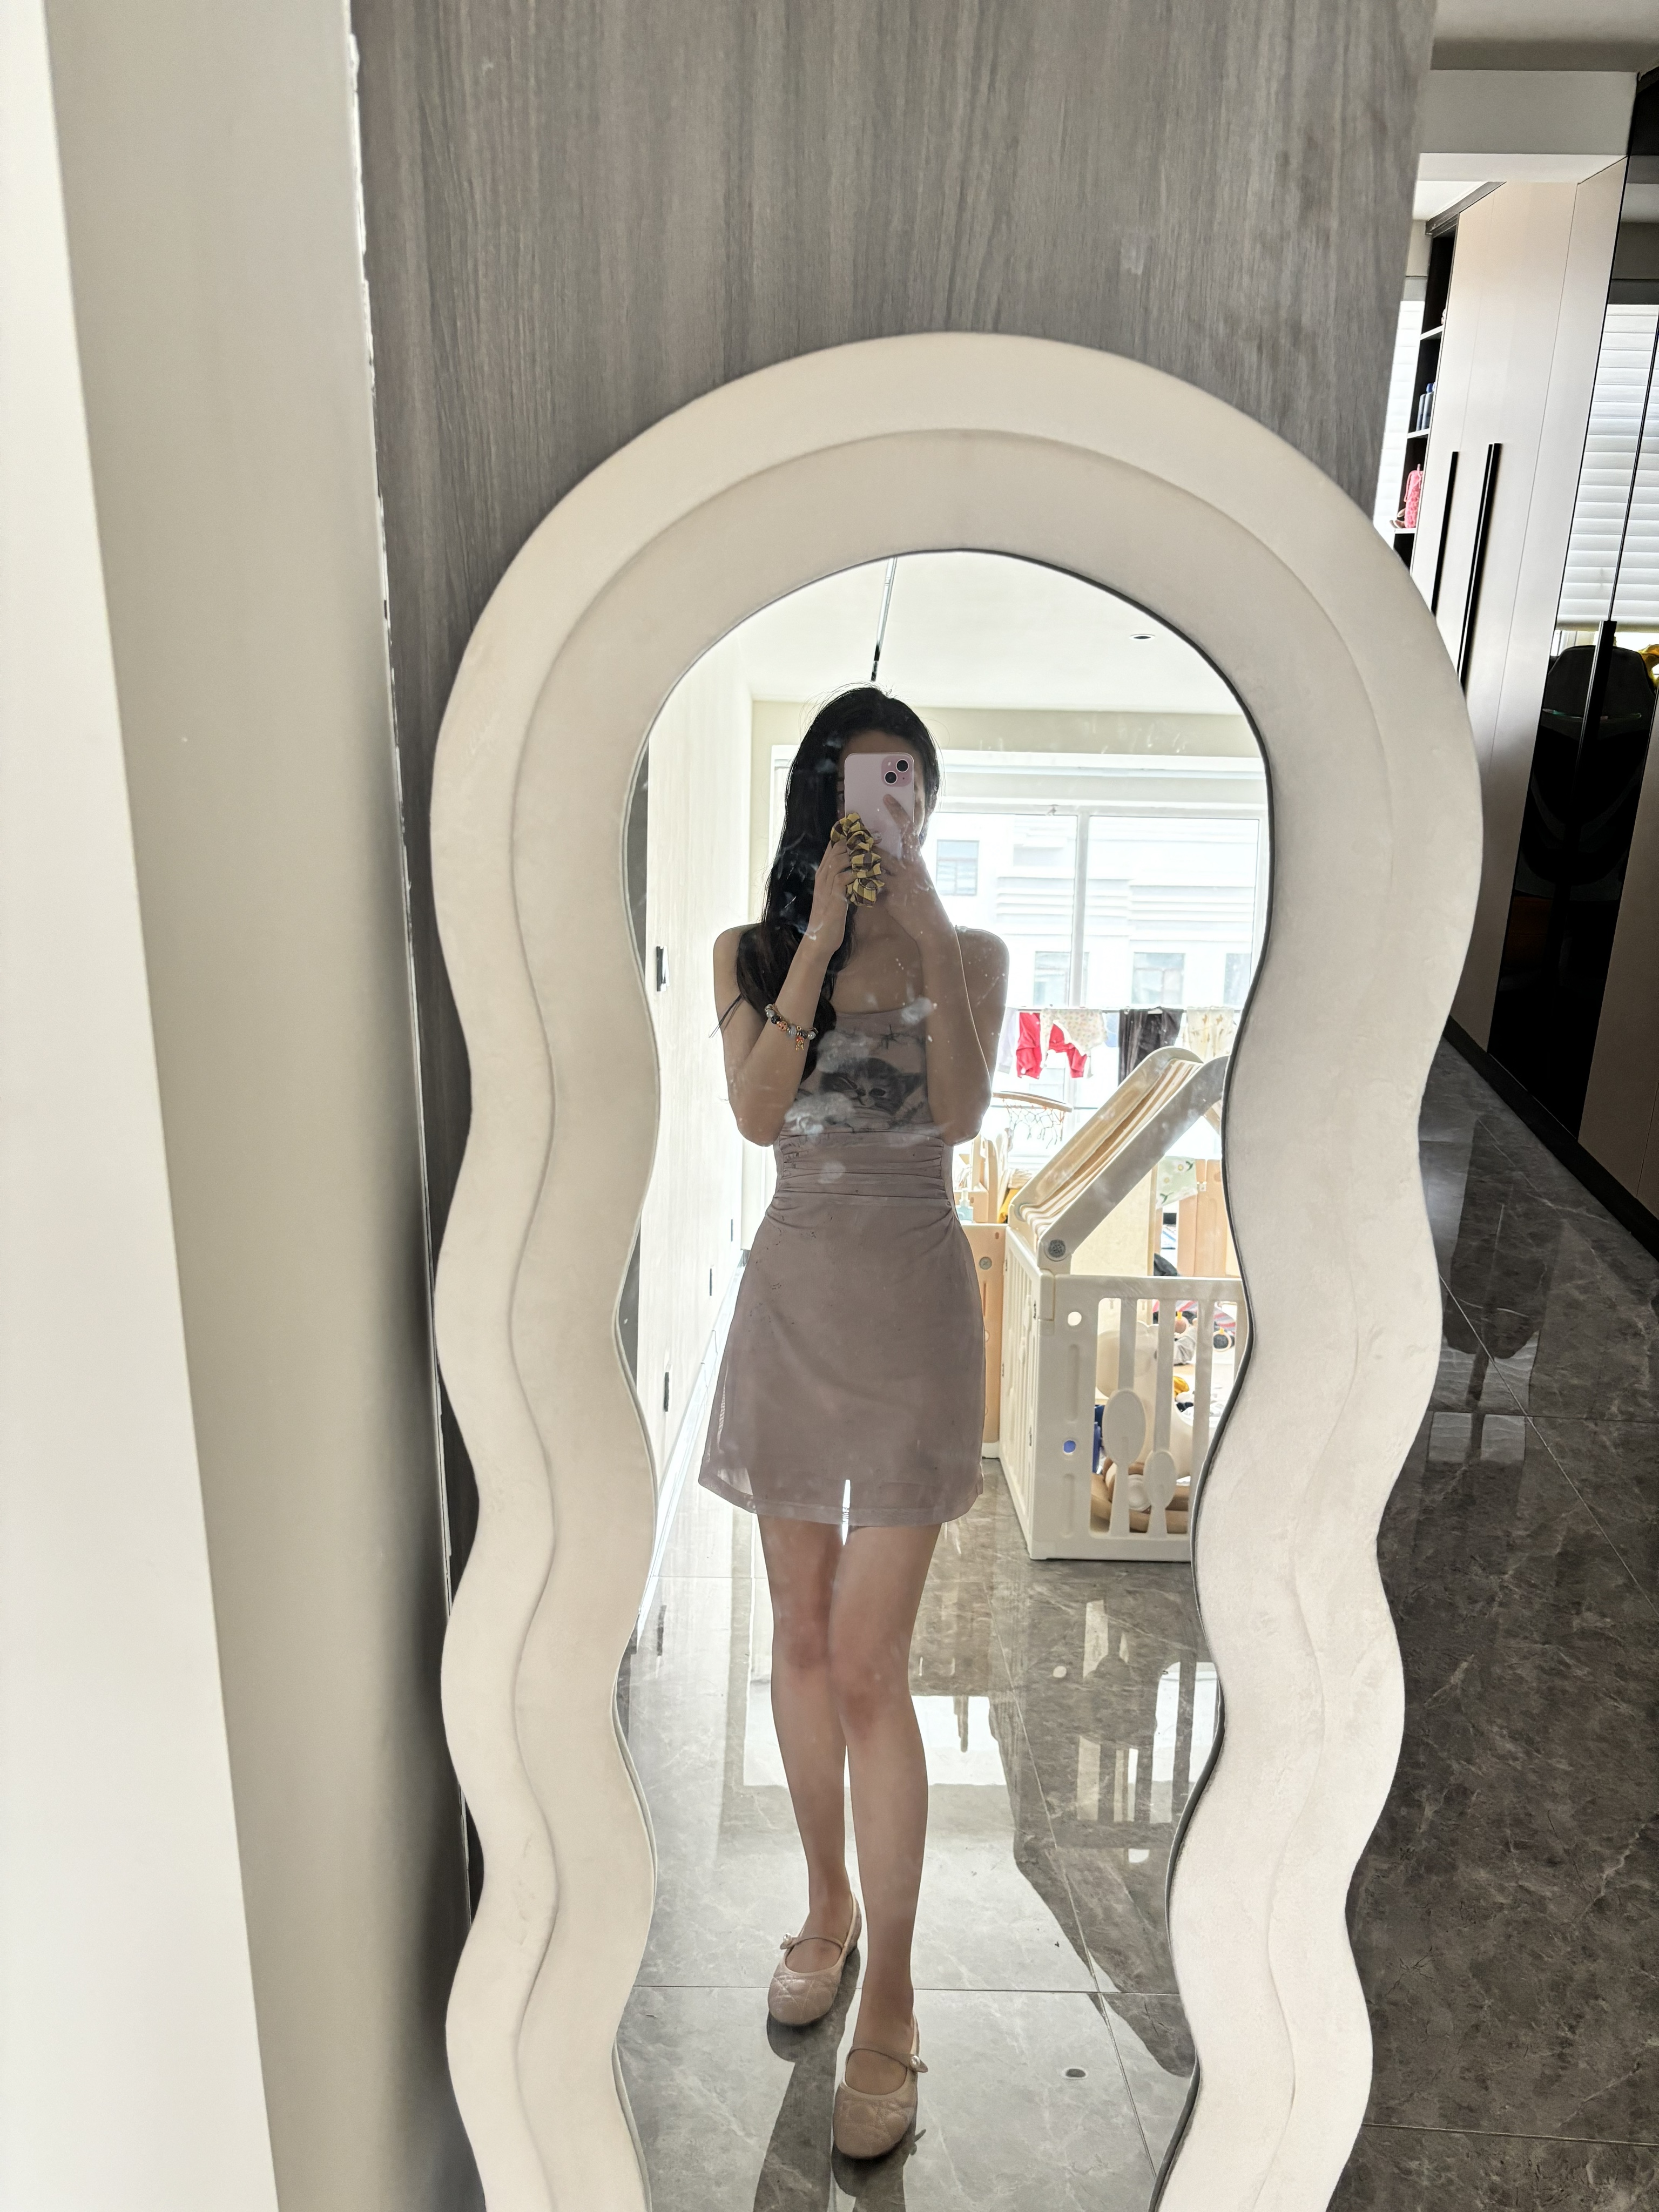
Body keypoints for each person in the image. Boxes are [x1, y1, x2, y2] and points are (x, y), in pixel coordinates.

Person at [699, 686, 1008, 2159]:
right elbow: (758, 1116)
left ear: (925, 800)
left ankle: (892, 1989)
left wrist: (925, 929)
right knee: (803, 1636)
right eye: (865, 783)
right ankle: (824, 1904)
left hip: (914, 1320)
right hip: (794, 1311)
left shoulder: (971, 953)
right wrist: (821, 935)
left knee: (876, 1662)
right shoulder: (752, 953)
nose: (891, 804)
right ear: (820, 800)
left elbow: (963, 1113)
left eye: (908, 784)